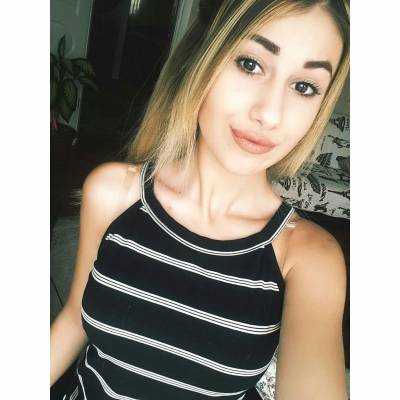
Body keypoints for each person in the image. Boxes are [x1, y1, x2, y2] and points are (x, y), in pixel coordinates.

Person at [50, 0, 350, 399]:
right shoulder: (113, 194)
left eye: (304, 87)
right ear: (201, 60)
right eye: (250, 64)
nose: (269, 114)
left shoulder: (309, 258)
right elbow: (75, 318)